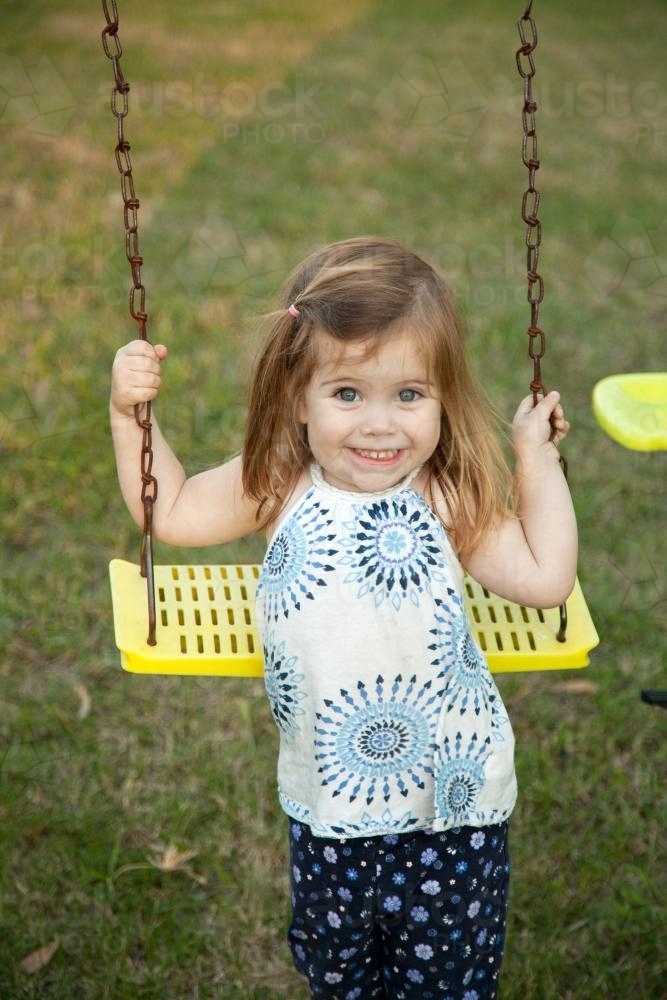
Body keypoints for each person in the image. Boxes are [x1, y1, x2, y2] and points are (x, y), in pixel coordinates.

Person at [110, 236, 577, 999]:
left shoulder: (445, 494)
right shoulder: (279, 481)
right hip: (329, 801)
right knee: (337, 974)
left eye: (409, 395)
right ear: (298, 395)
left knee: (445, 982)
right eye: (348, 394)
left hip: (450, 807)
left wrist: (534, 460)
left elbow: (545, 578)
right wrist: (132, 419)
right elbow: (178, 510)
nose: (380, 427)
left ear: (442, 398)